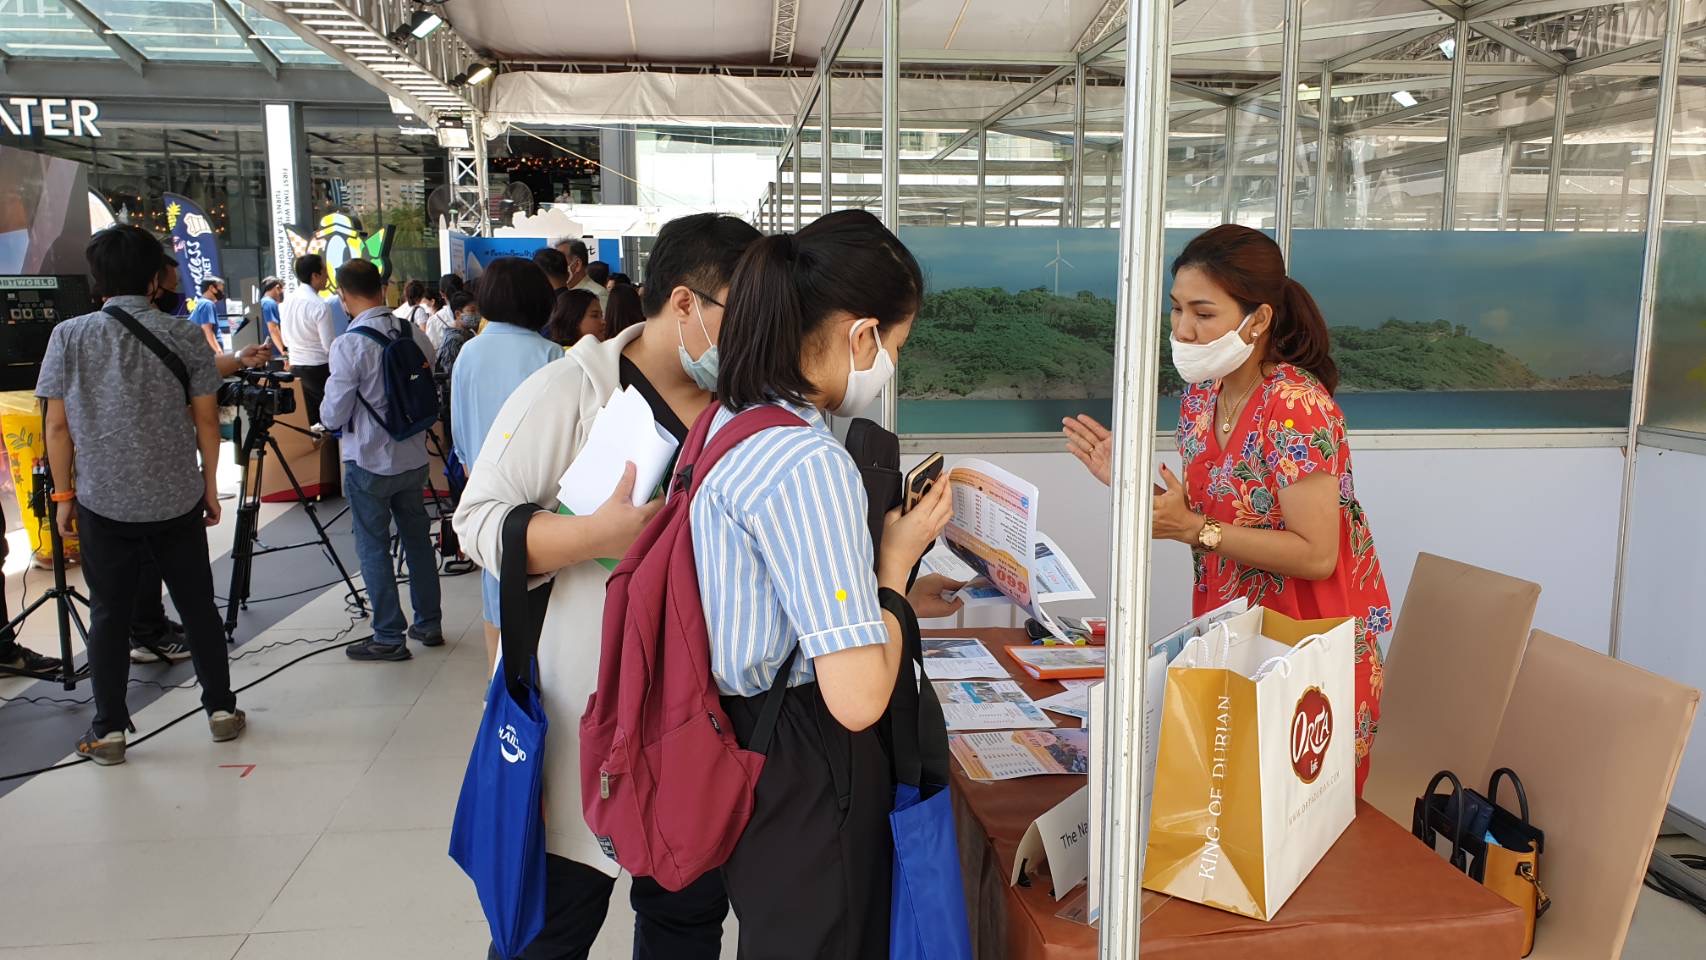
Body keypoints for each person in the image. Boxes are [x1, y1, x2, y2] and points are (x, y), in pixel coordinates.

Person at [452, 213, 762, 960]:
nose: (758, 333)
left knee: (686, 922)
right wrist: (599, 537)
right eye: (745, 314)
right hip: (586, 711)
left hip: (703, 725)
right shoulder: (572, 391)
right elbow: (478, 521)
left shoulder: (747, 409)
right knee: (552, 926)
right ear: (685, 304)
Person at [691, 210, 952, 959]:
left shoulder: (730, 421)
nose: (888, 367)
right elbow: (859, 696)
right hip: (809, 760)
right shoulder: (808, 462)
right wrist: (895, 571)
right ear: (861, 335)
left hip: (747, 739)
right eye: (894, 347)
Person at [1061, 223, 1391, 795]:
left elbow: (1316, 555)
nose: (1183, 329)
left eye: (1203, 313)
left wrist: (1195, 529)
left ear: (1257, 319)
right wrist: (1131, 485)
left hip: (1307, 650)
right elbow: (1207, 511)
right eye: (1176, 309)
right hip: (1232, 634)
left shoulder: (1295, 408)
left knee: (1292, 830)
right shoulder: (1201, 396)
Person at [35, 225, 248, 765]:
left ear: (97, 279)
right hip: (175, 494)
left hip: (103, 500)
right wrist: (209, 488)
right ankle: (221, 709)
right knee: (197, 604)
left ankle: (108, 730)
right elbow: (206, 419)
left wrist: (62, 496)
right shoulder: (181, 335)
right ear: (156, 279)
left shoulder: (69, 335)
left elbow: (56, 429)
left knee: (109, 613)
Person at [320, 259, 443, 661]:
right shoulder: (413, 332)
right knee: (417, 542)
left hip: (368, 461)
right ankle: (429, 623)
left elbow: (333, 415)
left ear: (343, 295)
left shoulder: (349, 344)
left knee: (373, 547)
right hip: (412, 457)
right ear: (383, 287)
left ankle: (389, 636)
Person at [449, 257, 562, 669]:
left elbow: (458, 432)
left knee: (494, 588)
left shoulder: (468, 353)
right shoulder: (549, 354)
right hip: (540, 497)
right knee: (540, 594)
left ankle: (495, 691)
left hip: (484, 489)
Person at [281, 253, 339, 427]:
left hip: (296, 366)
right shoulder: (320, 305)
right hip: (319, 369)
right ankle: (328, 454)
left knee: (306, 421)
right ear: (315, 275)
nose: (328, 276)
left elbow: (284, 337)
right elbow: (329, 346)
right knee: (327, 419)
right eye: (325, 271)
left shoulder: (287, 300)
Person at [555, 237, 608, 307]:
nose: (554, 266)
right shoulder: (558, 293)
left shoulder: (598, 294)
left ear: (577, 264)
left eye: (560, 260)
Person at [187, 276, 226, 353]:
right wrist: (219, 351)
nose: (222, 292)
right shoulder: (207, 304)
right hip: (209, 352)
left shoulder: (201, 303)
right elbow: (207, 329)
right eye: (221, 289)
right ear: (212, 288)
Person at [259, 276, 286, 356]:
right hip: (276, 354)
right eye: (282, 289)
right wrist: (285, 352)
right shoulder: (269, 303)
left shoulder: (263, 302)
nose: (282, 293)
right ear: (277, 287)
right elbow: (273, 329)